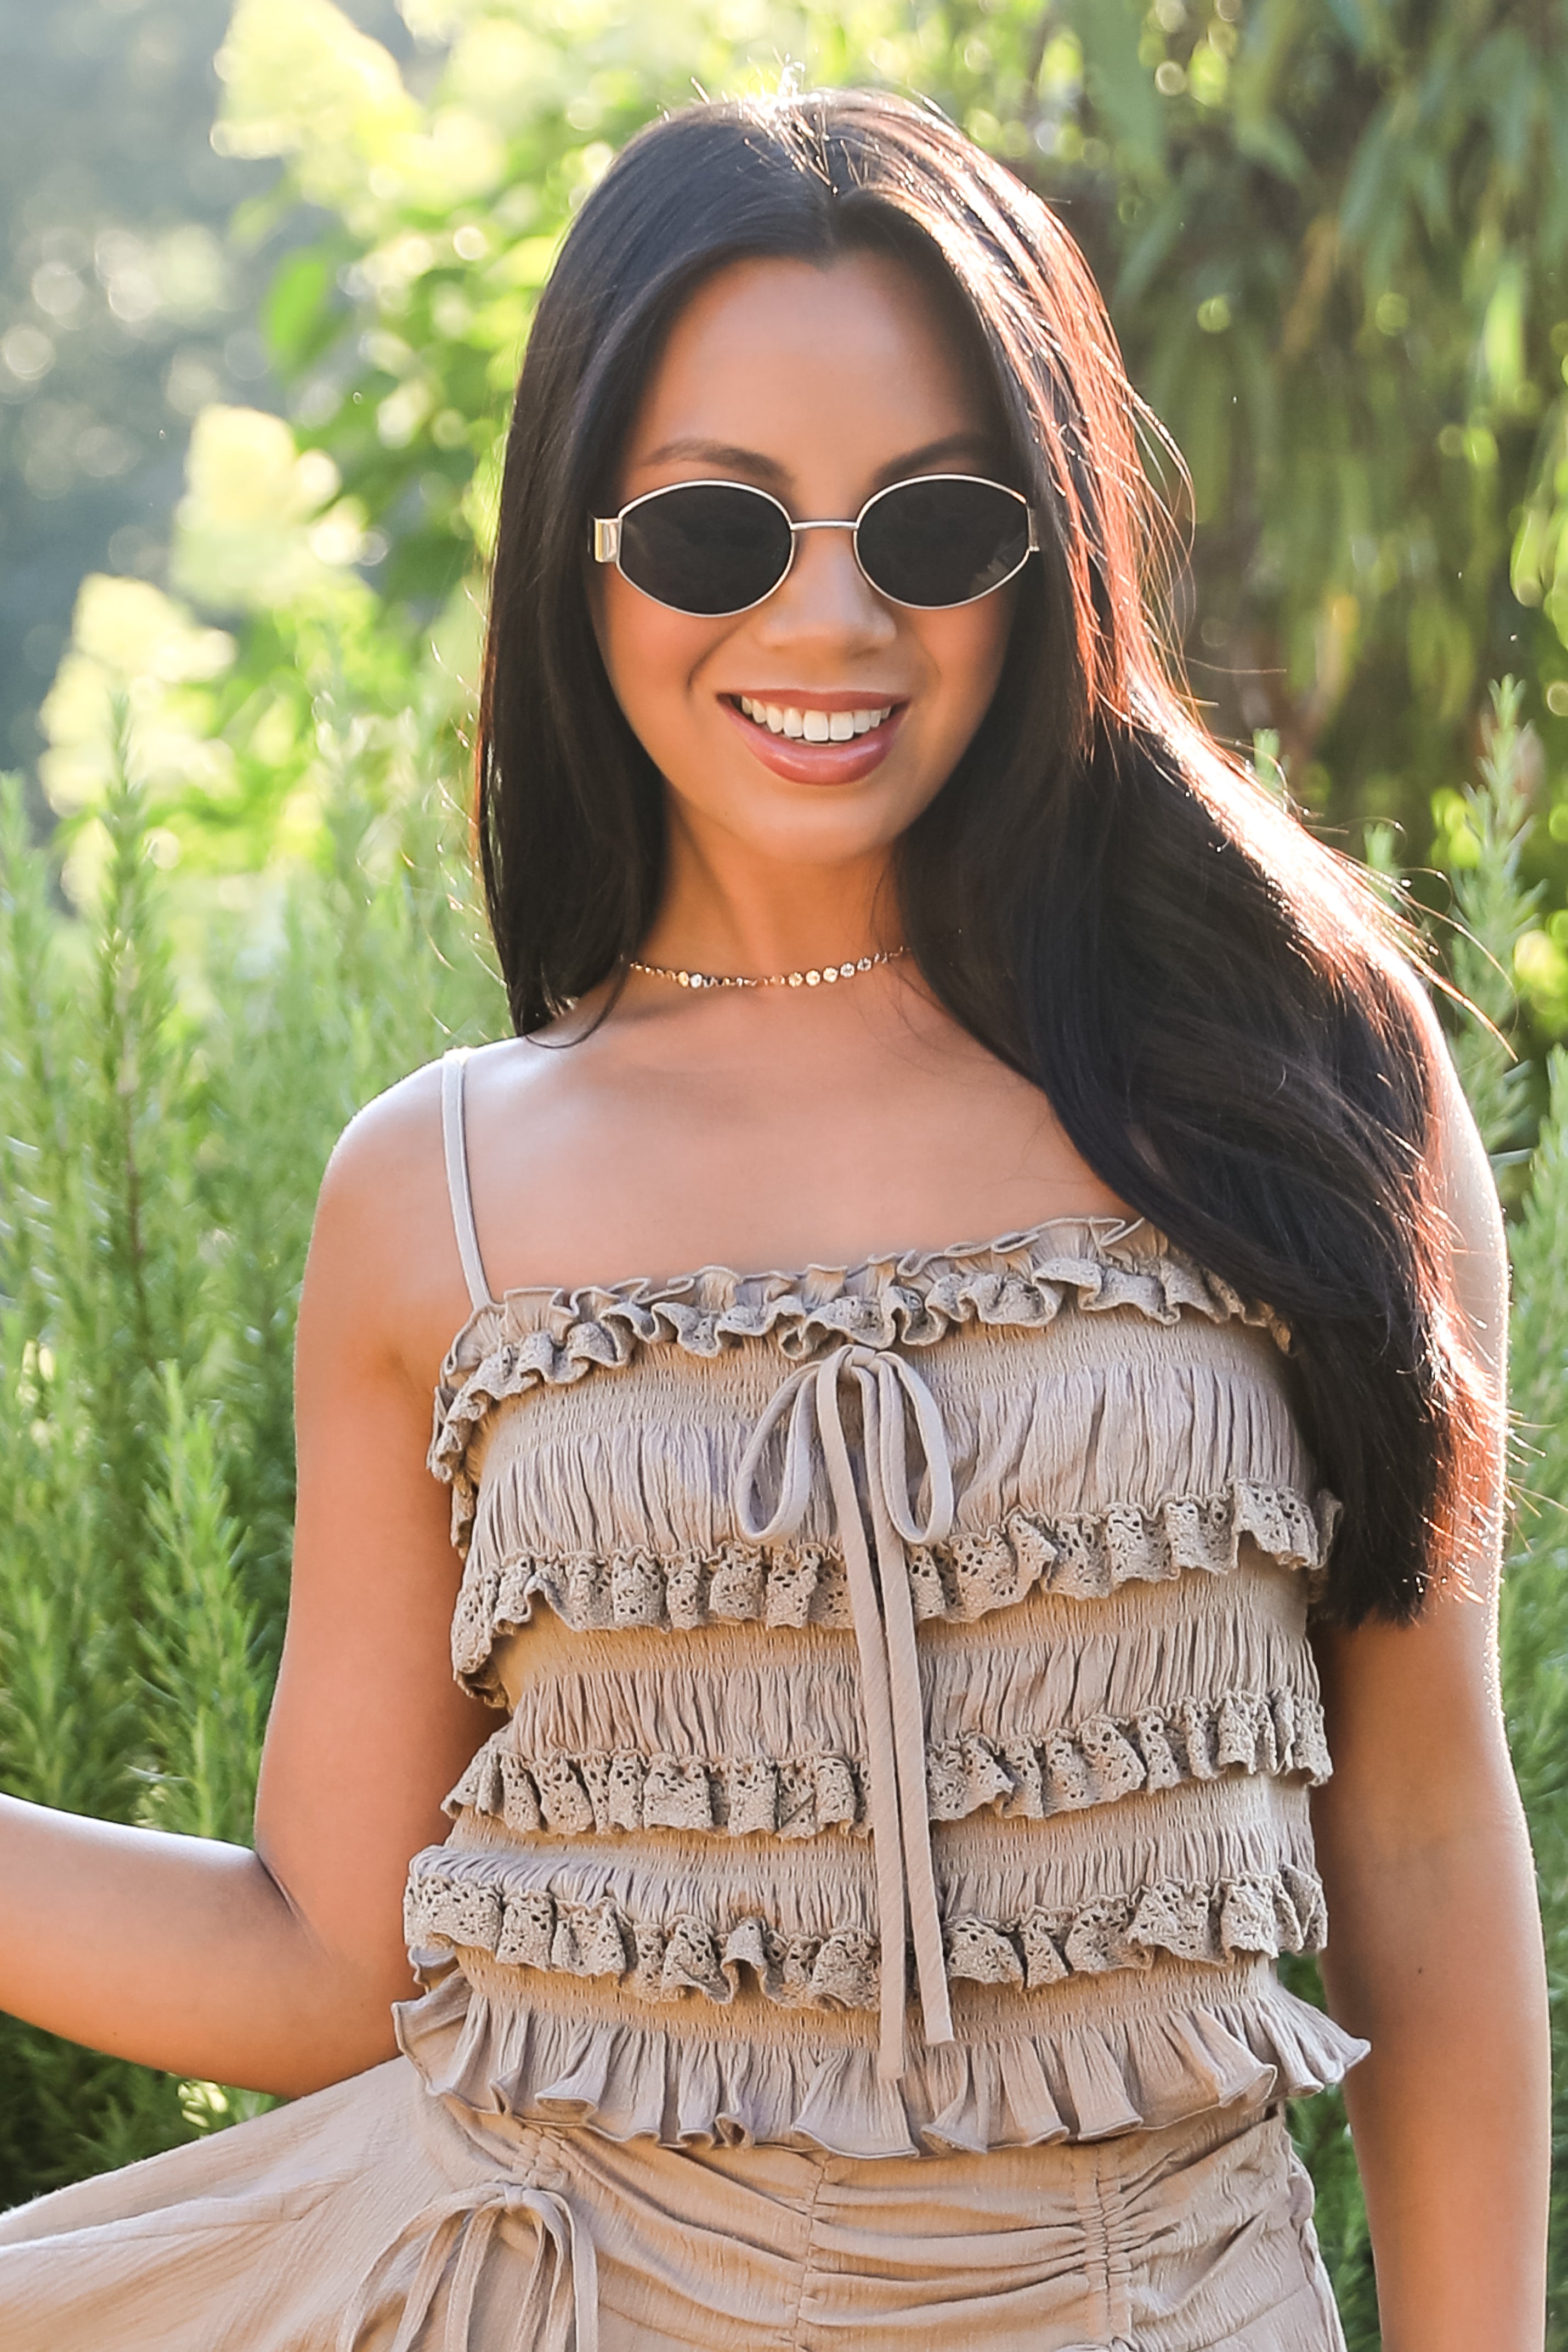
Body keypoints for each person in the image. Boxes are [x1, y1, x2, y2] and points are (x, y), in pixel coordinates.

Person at [0, 87, 1547, 2352]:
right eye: (719, 533)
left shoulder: (1302, 1069)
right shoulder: (437, 1192)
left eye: (933, 525)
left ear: (1046, 547)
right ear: (581, 554)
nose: (833, 617)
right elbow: (332, 1960)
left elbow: (1417, 1840)